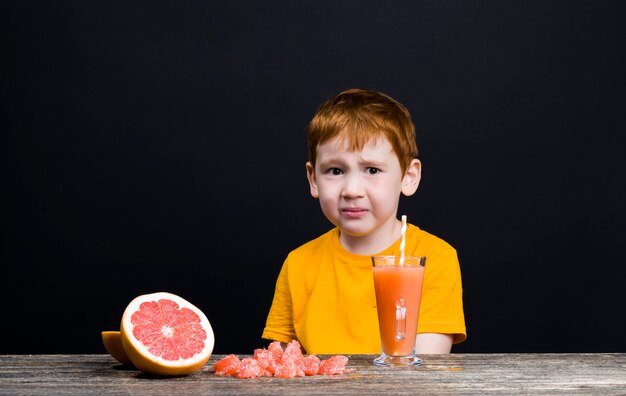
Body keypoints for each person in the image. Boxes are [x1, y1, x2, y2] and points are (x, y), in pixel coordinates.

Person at [261, 88, 466, 354]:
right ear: (313, 180)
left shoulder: (434, 258)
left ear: (409, 176)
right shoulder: (298, 263)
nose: (352, 190)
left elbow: (426, 366)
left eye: (372, 170)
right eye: (335, 170)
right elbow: (284, 364)